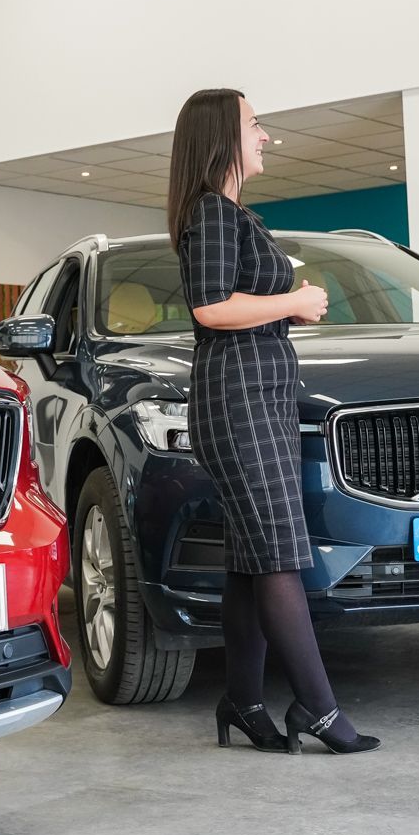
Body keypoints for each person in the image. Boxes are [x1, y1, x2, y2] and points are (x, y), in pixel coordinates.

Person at [170, 88, 379, 755]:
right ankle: (317, 710)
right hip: (237, 402)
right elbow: (210, 308)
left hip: (254, 398)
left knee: (248, 559)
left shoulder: (231, 214)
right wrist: (292, 300)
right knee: (281, 555)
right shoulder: (211, 213)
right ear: (223, 137)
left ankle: (243, 701)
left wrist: (283, 304)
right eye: (255, 125)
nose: (265, 136)